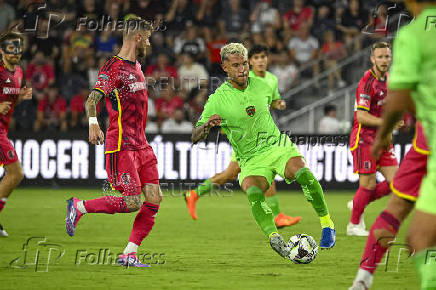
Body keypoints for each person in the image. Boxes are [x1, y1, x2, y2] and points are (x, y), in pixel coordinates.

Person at [191, 43, 335, 260]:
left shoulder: (264, 84)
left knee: (304, 174)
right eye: (236, 65)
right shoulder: (217, 99)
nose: (242, 69)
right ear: (225, 68)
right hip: (250, 158)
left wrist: (279, 104)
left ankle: (327, 224)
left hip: (277, 145)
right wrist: (207, 127)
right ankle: (274, 237)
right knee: (253, 192)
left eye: (245, 64)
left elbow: (273, 102)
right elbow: (195, 136)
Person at [65, 16, 162, 268]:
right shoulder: (113, 67)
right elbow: (91, 100)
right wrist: (93, 123)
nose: (150, 43)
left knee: (153, 198)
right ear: (138, 38)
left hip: (142, 145)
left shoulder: (137, 66)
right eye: (148, 38)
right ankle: (79, 206)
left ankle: (129, 253)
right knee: (132, 202)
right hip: (121, 145)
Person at [185, 45, 302, 228]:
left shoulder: (270, 80)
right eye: (256, 58)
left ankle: (194, 193)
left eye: (263, 57)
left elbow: (272, 100)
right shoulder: (244, 79)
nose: (260, 61)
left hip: (261, 135)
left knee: (229, 174)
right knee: (263, 167)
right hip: (244, 139)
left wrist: (278, 104)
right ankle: (277, 214)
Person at [366, 2, 436, 288]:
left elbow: (397, 99)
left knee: (419, 237)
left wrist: (382, 136)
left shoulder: (414, 34)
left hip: (425, 147)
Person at [350, 122, 428, 289]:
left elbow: (401, 107)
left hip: (424, 147)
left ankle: (363, 279)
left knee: (400, 214)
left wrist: (393, 123)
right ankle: (354, 221)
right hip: (420, 148)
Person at [347, 42, 402, 237]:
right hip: (364, 139)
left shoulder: (389, 80)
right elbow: (361, 116)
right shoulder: (367, 82)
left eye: (387, 56)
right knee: (368, 184)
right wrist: (386, 122)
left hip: (383, 138)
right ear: (372, 59)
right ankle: (353, 225)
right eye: (380, 57)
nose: (384, 60)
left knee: (398, 183)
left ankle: (358, 203)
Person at [0, 31, 32, 236]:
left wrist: (19, 98)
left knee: (13, 174)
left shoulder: (19, 72)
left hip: (3, 129)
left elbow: (8, 101)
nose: (15, 52)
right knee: (16, 173)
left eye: (18, 47)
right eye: (11, 48)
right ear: (2, 50)